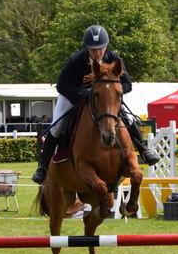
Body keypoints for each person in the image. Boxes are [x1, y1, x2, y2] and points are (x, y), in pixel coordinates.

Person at [32, 25, 160, 184]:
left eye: (101, 48)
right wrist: (82, 92)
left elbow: (128, 85)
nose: (98, 52)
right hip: (73, 97)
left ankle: (144, 150)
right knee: (58, 126)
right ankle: (43, 167)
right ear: (86, 48)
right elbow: (62, 86)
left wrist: (115, 90)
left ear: (106, 46)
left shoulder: (113, 58)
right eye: (93, 49)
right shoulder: (76, 60)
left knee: (127, 118)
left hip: (105, 99)